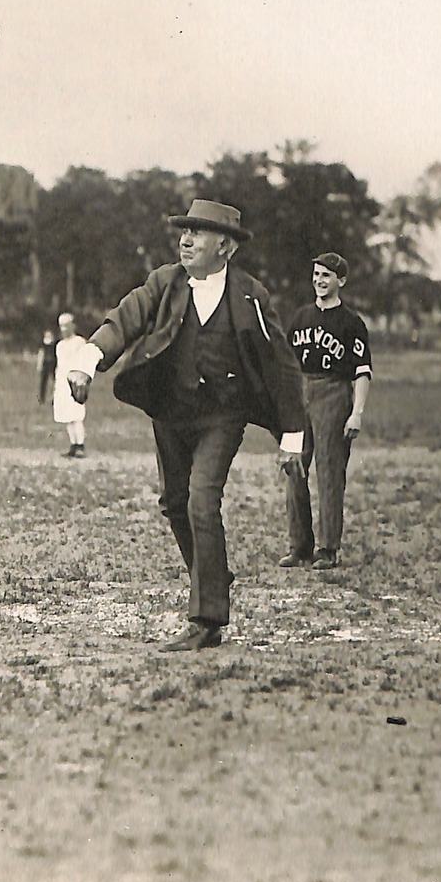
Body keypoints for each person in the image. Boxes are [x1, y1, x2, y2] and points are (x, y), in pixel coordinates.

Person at [65, 199, 308, 652]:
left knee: (201, 501)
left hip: (223, 415)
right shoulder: (165, 282)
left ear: (227, 247)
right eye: (184, 230)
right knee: (175, 503)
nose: (186, 239)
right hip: (170, 412)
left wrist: (292, 436)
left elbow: (281, 366)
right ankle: (211, 573)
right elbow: (125, 318)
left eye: (198, 232)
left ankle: (207, 619)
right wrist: (87, 362)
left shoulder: (251, 295)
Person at [281, 251, 372, 571]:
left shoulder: (351, 323)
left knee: (329, 471)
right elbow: (286, 364)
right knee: (293, 466)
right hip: (300, 392)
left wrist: (356, 412)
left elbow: (362, 372)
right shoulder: (301, 317)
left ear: (341, 281)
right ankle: (299, 545)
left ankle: (328, 548)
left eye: (327, 276)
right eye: (316, 275)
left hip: (333, 393)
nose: (320, 281)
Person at [50, 312, 102, 458]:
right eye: (61, 326)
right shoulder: (60, 345)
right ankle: (73, 444)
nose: (64, 329)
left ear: (73, 325)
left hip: (75, 381)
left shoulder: (79, 343)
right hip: (62, 382)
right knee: (66, 414)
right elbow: (59, 367)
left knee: (76, 414)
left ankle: (80, 444)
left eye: (66, 325)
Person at [36, 325, 58, 406]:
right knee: (43, 382)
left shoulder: (55, 344)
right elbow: (41, 354)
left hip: (53, 363)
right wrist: (39, 364)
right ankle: (42, 398)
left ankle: (54, 398)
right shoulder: (43, 344)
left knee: (55, 382)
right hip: (45, 363)